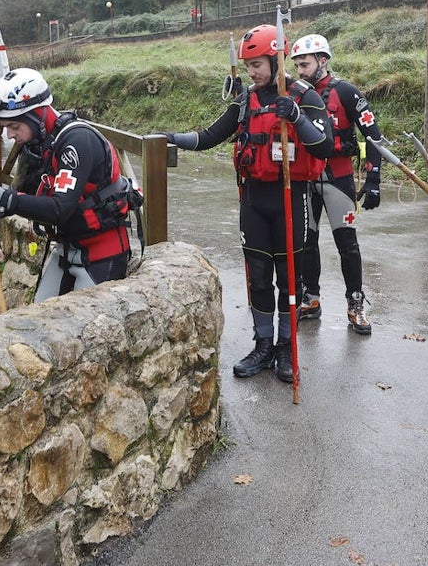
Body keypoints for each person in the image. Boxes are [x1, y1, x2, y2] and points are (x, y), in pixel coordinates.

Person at [161, 25, 333, 382]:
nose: (252, 72)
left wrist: (297, 118)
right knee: (257, 277)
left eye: (257, 64)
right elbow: (210, 136)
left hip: (291, 197)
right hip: (254, 198)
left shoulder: (304, 96)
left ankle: (287, 347)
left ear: (276, 58)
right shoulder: (246, 100)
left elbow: (324, 147)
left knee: (288, 279)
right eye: (248, 64)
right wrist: (171, 138)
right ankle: (264, 344)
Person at [0, 67, 136, 302]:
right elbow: (25, 196)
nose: (9, 135)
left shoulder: (77, 141)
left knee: (83, 329)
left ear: (38, 114)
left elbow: (59, 209)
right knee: (37, 316)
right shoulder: (38, 144)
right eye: (4, 127)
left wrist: (1, 198)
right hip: (66, 248)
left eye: (14, 126)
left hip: (102, 252)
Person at [290, 33, 383, 335]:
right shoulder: (295, 94)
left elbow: (372, 133)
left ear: (323, 60)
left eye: (304, 65)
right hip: (304, 178)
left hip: (338, 178)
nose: (300, 71)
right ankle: (311, 299)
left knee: (347, 244)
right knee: (306, 243)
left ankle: (355, 303)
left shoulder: (346, 92)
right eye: (296, 66)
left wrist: (373, 177)